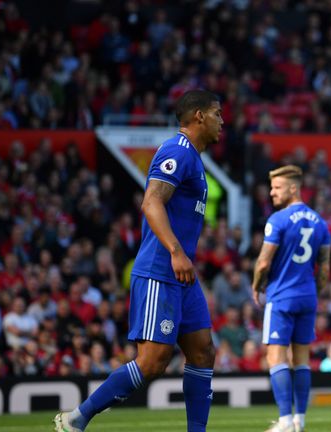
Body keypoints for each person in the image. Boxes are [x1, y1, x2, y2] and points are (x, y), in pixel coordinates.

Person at [54, 90, 224, 432]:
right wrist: (176, 251)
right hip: (161, 270)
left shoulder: (193, 158)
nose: (223, 121)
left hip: (182, 276)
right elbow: (151, 203)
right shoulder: (177, 151)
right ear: (199, 116)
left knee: (203, 351)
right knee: (152, 362)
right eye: (218, 113)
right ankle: (76, 419)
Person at [252, 165, 331, 432]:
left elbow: (263, 262)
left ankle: (285, 420)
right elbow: (325, 268)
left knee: (276, 358)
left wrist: (256, 285)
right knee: (302, 360)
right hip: (307, 296)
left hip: (282, 297)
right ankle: (300, 420)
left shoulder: (278, 220)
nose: (272, 193)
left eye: (277, 187)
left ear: (293, 188)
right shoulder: (320, 222)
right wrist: (314, 292)